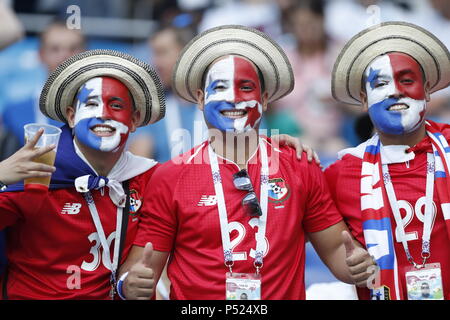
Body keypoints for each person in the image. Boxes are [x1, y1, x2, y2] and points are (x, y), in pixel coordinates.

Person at [118, 25, 375, 300]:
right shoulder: (169, 177)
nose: (233, 97)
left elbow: (337, 249)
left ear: (263, 99)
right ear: (201, 99)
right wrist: (128, 285)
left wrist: (355, 265)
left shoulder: (300, 165)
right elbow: (140, 268)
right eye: (219, 87)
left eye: (245, 87)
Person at [0, 49, 166, 299]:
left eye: (116, 105)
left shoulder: (150, 178)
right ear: (71, 115)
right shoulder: (37, 172)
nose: (103, 114)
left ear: (134, 120)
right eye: (91, 104)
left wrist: (124, 286)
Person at [325, 21, 450, 300]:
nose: (395, 91)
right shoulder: (339, 174)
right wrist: (350, 266)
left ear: (428, 90)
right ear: (364, 100)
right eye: (381, 83)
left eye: (406, 80)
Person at [128, 26, 206, 161]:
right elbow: (136, 166)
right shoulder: (152, 112)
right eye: (154, 54)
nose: (155, 63)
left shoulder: (219, 104)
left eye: (162, 53)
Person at [2, 20, 86, 144]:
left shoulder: (101, 109)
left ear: (85, 55)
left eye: (73, 49)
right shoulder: (14, 113)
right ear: (41, 55)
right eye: (55, 49)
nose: (64, 55)